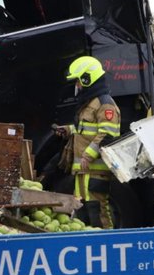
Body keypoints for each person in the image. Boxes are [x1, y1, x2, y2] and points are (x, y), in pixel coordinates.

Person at [52, 55, 122, 228]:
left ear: (87, 79)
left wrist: (88, 156)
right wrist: (68, 130)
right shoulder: (90, 103)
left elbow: (107, 134)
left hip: (95, 170)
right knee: (82, 208)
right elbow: (86, 129)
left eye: (78, 81)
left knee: (98, 211)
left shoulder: (105, 105)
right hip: (84, 171)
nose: (77, 86)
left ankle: (107, 244)